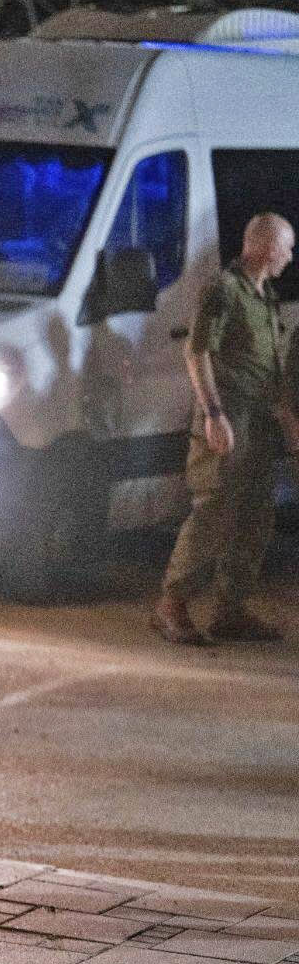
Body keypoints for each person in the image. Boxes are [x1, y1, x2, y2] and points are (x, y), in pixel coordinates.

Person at [151, 213, 295, 645]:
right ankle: (172, 605)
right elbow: (197, 355)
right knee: (214, 512)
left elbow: (268, 369)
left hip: (259, 425)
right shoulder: (224, 291)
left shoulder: (264, 296)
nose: (290, 257)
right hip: (228, 420)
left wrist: (287, 419)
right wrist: (214, 414)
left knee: (255, 517)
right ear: (268, 248)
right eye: (288, 248)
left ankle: (230, 610)